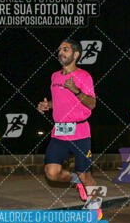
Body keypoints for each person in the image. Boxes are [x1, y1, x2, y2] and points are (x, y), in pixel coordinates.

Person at [37, 39, 96, 201]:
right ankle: (75, 180)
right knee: (51, 173)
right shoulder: (55, 76)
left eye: (65, 49)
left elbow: (92, 104)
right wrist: (47, 105)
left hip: (80, 132)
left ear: (76, 54)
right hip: (59, 133)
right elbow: (59, 101)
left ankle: (95, 205)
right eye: (60, 50)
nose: (61, 53)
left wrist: (75, 90)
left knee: (85, 175)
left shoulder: (84, 76)